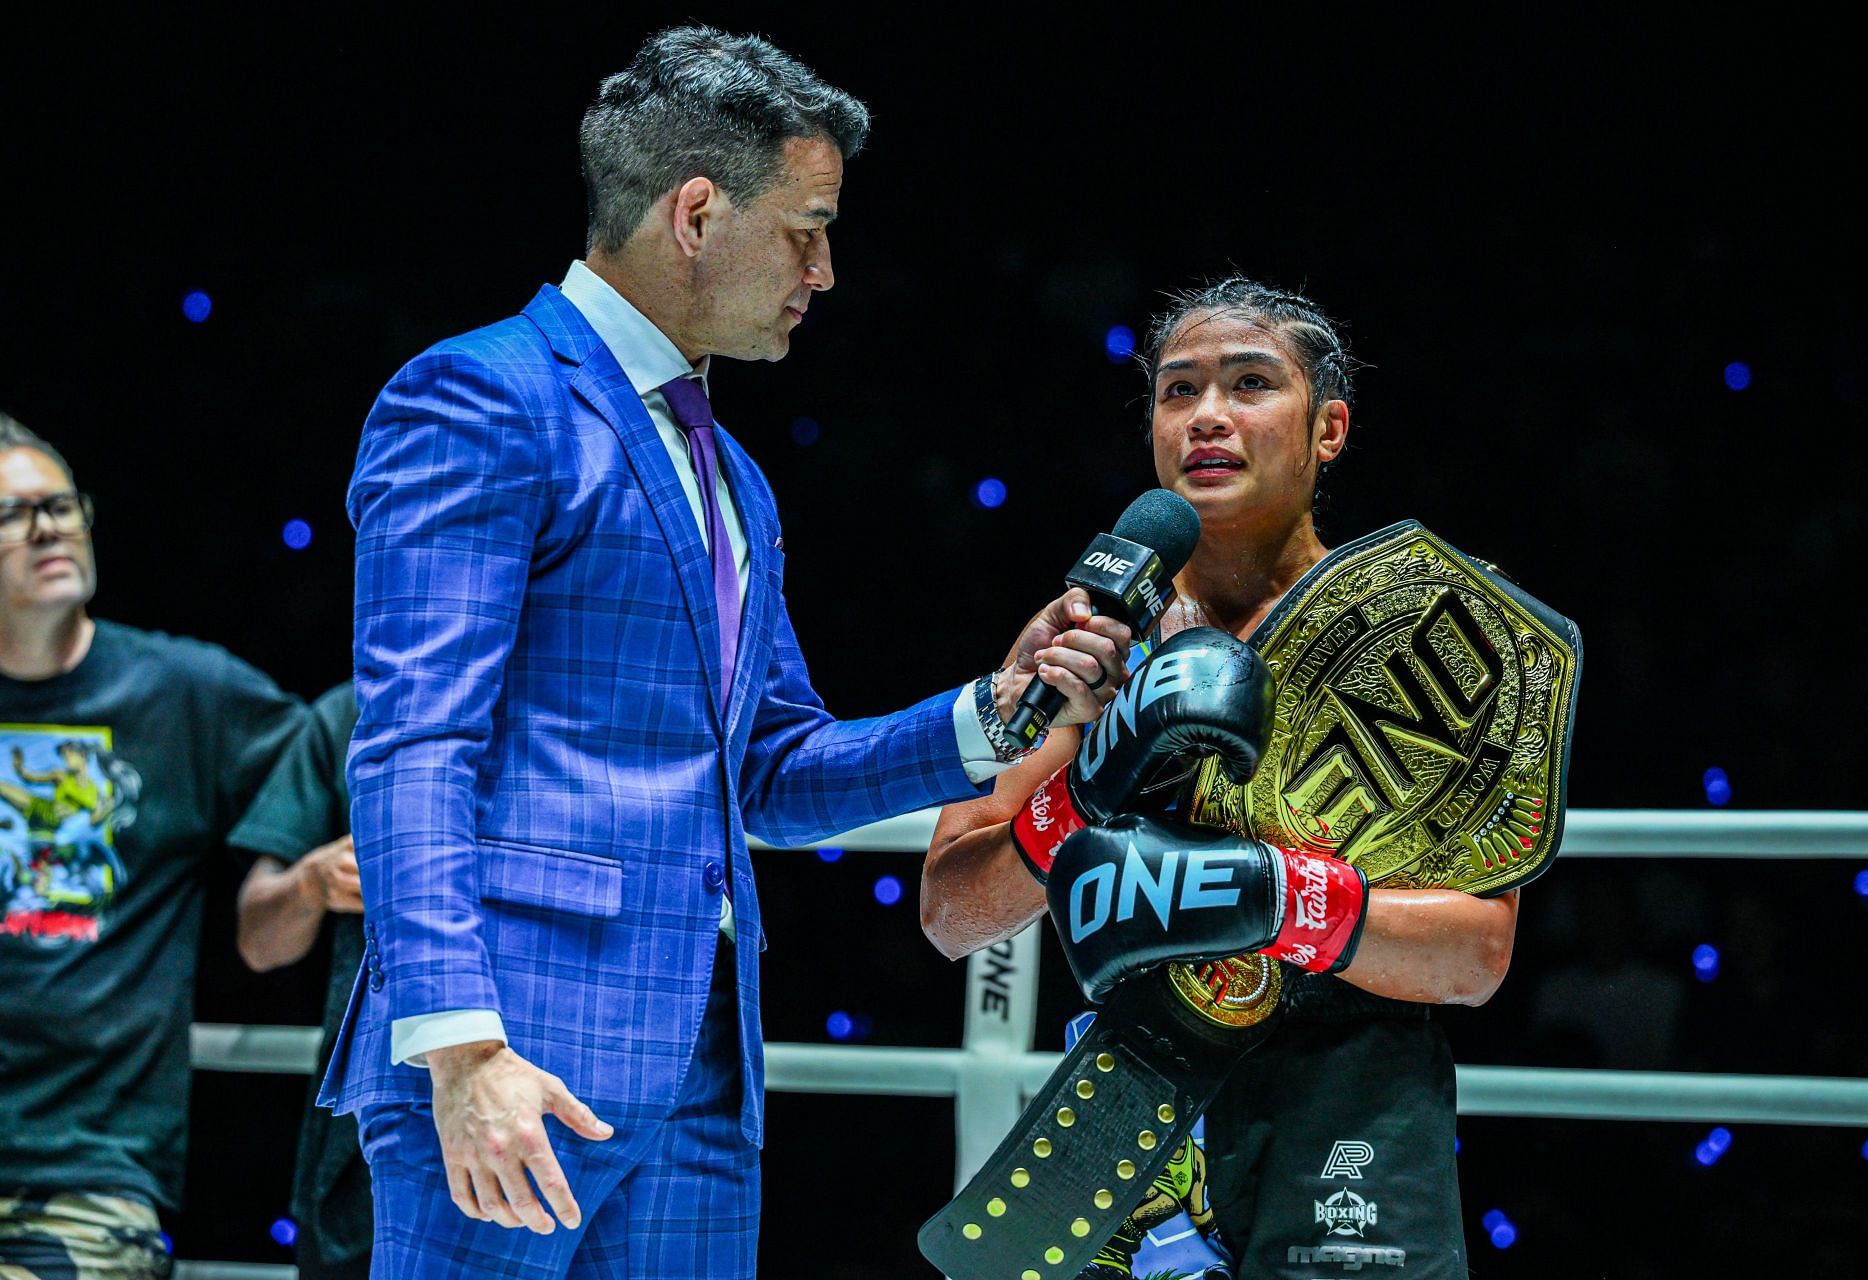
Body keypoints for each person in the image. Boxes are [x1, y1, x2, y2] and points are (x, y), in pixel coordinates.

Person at [320, 26, 1131, 1280]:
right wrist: (459, 1044)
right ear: (695, 212)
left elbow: (776, 770)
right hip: (508, 1051)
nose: (825, 269)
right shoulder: (483, 395)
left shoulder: (733, 474)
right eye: (806, 229)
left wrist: (995, 709)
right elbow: (416, 737)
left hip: (703, 1064)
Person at [921, 280, 1523, 1280]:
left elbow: (1476, 955)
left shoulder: (1421, 638)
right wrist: (1088, 780)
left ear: (1328, 427)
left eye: (1249, 384)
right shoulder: (1087, 637)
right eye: (1178, 390)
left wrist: (1269, 895)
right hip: (1133, 1123)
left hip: (1350, 1108)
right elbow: (952, 911)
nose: (1207, 414)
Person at [0, 412, 309, 1278]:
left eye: (62, 506)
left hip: (82, 1181)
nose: (49, 527)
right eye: (13, 513)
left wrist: (298, 882)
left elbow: (332, 768)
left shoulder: (184, 695)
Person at [228, 681, 366, 1280]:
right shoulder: (353, 709)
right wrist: (312, 880)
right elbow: (257, 941)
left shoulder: (591, 693)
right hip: (375, 1113)